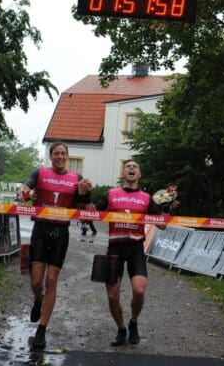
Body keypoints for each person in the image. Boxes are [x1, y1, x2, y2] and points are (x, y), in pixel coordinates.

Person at [18, 142, 93, 350]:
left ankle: (41, 331)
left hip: (60, 233)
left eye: (64, 154)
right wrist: (24, 190)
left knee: (52, 279)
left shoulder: (76, 178)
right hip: (40, 230)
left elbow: (84, 207)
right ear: (51, 156)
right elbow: (27, 188)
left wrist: (85, 193)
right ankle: (37, 298)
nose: (60, 156)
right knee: (36, 281)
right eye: (57, 153)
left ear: (67, 157)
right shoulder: (40, 172)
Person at [91, 159, 170, 347]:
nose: (131, 168)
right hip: (115, 247)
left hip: (135, 248)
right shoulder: (111, 193)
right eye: (128, 166)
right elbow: (93, 213)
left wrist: (167, 206)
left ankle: (133, 322)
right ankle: (121, 329)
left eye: (135, 167)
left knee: (139, 290)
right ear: (123, 173)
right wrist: (86, 199)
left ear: (139, 174)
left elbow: (162, 224)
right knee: (112, 296)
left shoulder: (146, 197)